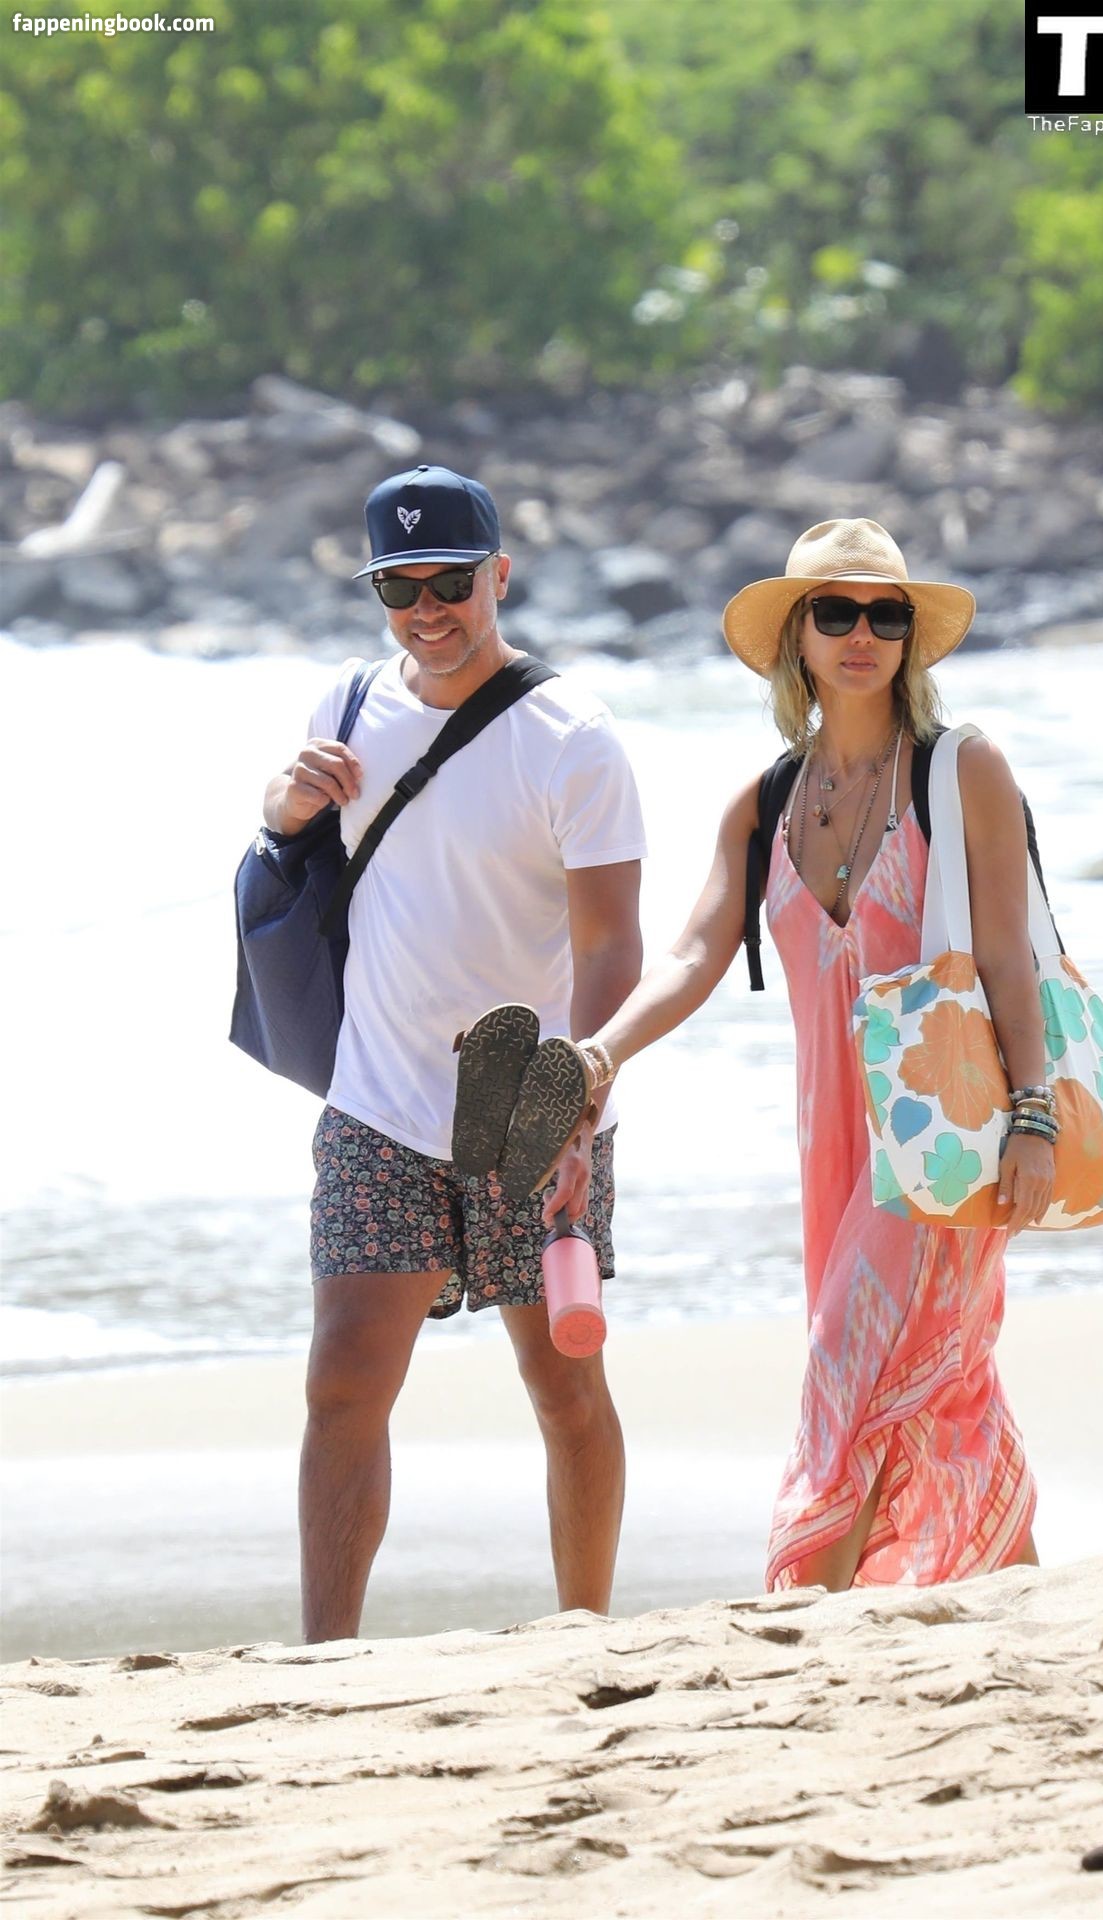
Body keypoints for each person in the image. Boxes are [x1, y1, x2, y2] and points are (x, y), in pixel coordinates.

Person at [487, 518, 1040, 1592]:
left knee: (850, 1358)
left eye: (885, 615)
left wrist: (1033, 1118)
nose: (862, 634)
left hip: (946, 1136)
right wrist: (598, 1055)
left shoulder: (961, 771)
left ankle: (803, 1599)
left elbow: (1009, 959)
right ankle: (1015, 1579)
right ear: (798, 635)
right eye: (836, 612)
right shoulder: (767, 803)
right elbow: (695, 952)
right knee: (931, 1378)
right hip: (831, 1151)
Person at [263, 465, 646, 1642]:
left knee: (563, 1384)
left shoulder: (570, 738)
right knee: (341, 1383)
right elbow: (297, 868)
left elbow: (611, 944)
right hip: (377, 1099)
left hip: (526, 1101)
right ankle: (325, 1659)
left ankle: (581, 1630)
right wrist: (279, 810)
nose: (427, 610)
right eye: (399, 587)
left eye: (450, 583)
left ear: (500, 575)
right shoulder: (343, 707)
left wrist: (577, 1107)